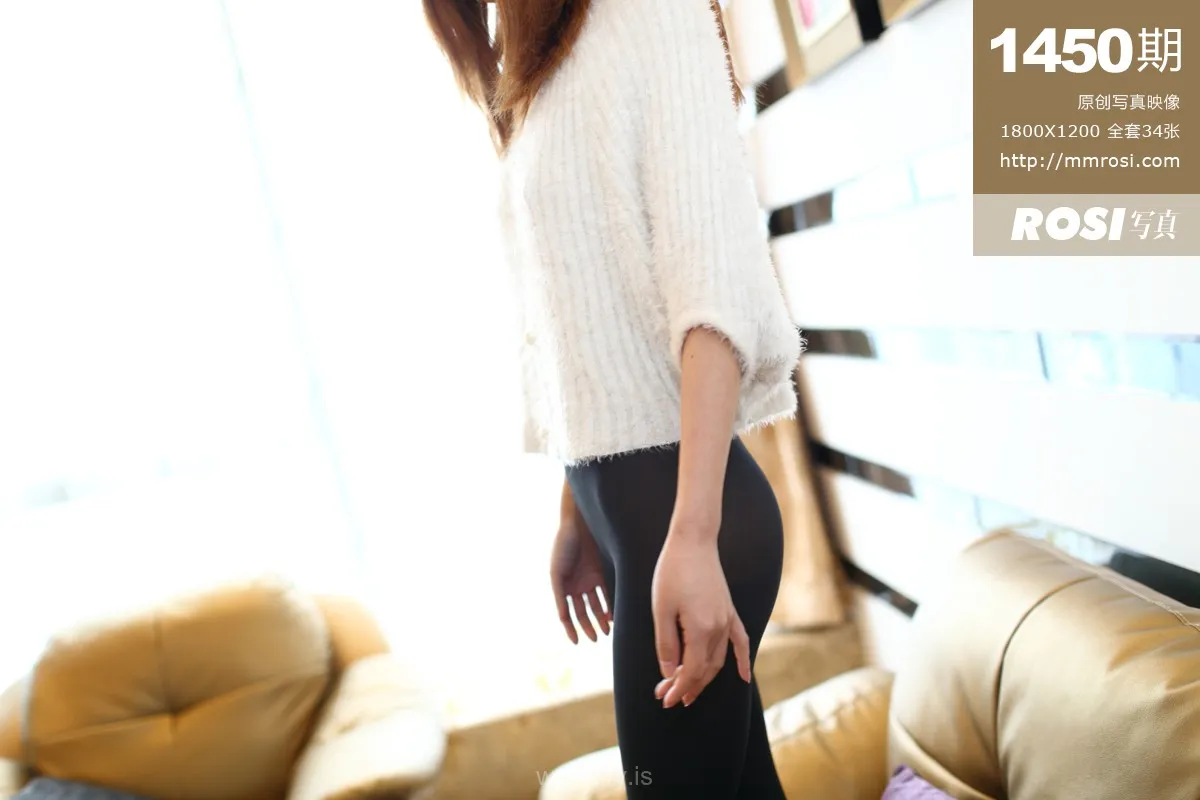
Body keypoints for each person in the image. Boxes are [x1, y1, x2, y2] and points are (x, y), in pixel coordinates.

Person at [425, 1, 802, 796]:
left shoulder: (648, 13)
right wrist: (579, 509)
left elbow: (712, 297)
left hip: (691, 524)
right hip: (636, 528)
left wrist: (692, 536)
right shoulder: (538, 58)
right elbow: (591, 321)